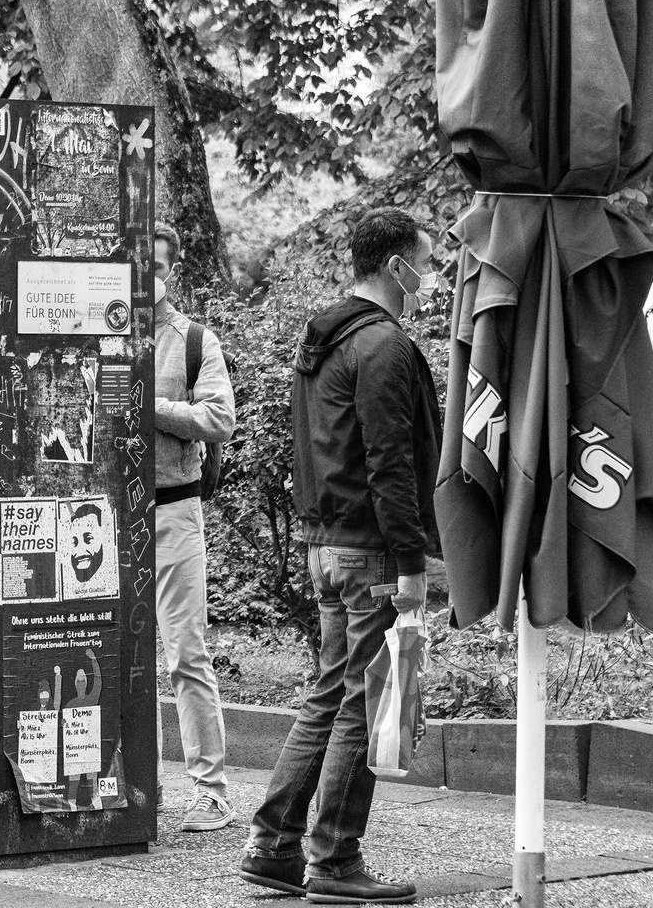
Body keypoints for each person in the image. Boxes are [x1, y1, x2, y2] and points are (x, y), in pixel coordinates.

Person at [241, 207, 439, 905]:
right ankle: (334, 860)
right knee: (361, 699)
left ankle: (274, 846)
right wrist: (413, 565)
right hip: (369, 552)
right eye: (425, 261)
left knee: (331, 694)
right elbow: (392, 463)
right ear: (395, 266)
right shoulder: (382, 346)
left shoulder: (323, 339)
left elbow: (316, 450)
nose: (429, 276)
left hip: (327, 544)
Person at [151, 223, 236, 832]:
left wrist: (144, 404)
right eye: (137, 264)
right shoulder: (92, 326)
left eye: (156, 265)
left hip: (174, 510)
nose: (144, 277)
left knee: (186, 653)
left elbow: (218, 418)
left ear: (170, 269)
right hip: (99, 516)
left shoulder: (194, 340)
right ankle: (122, 782)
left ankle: (211, 791)